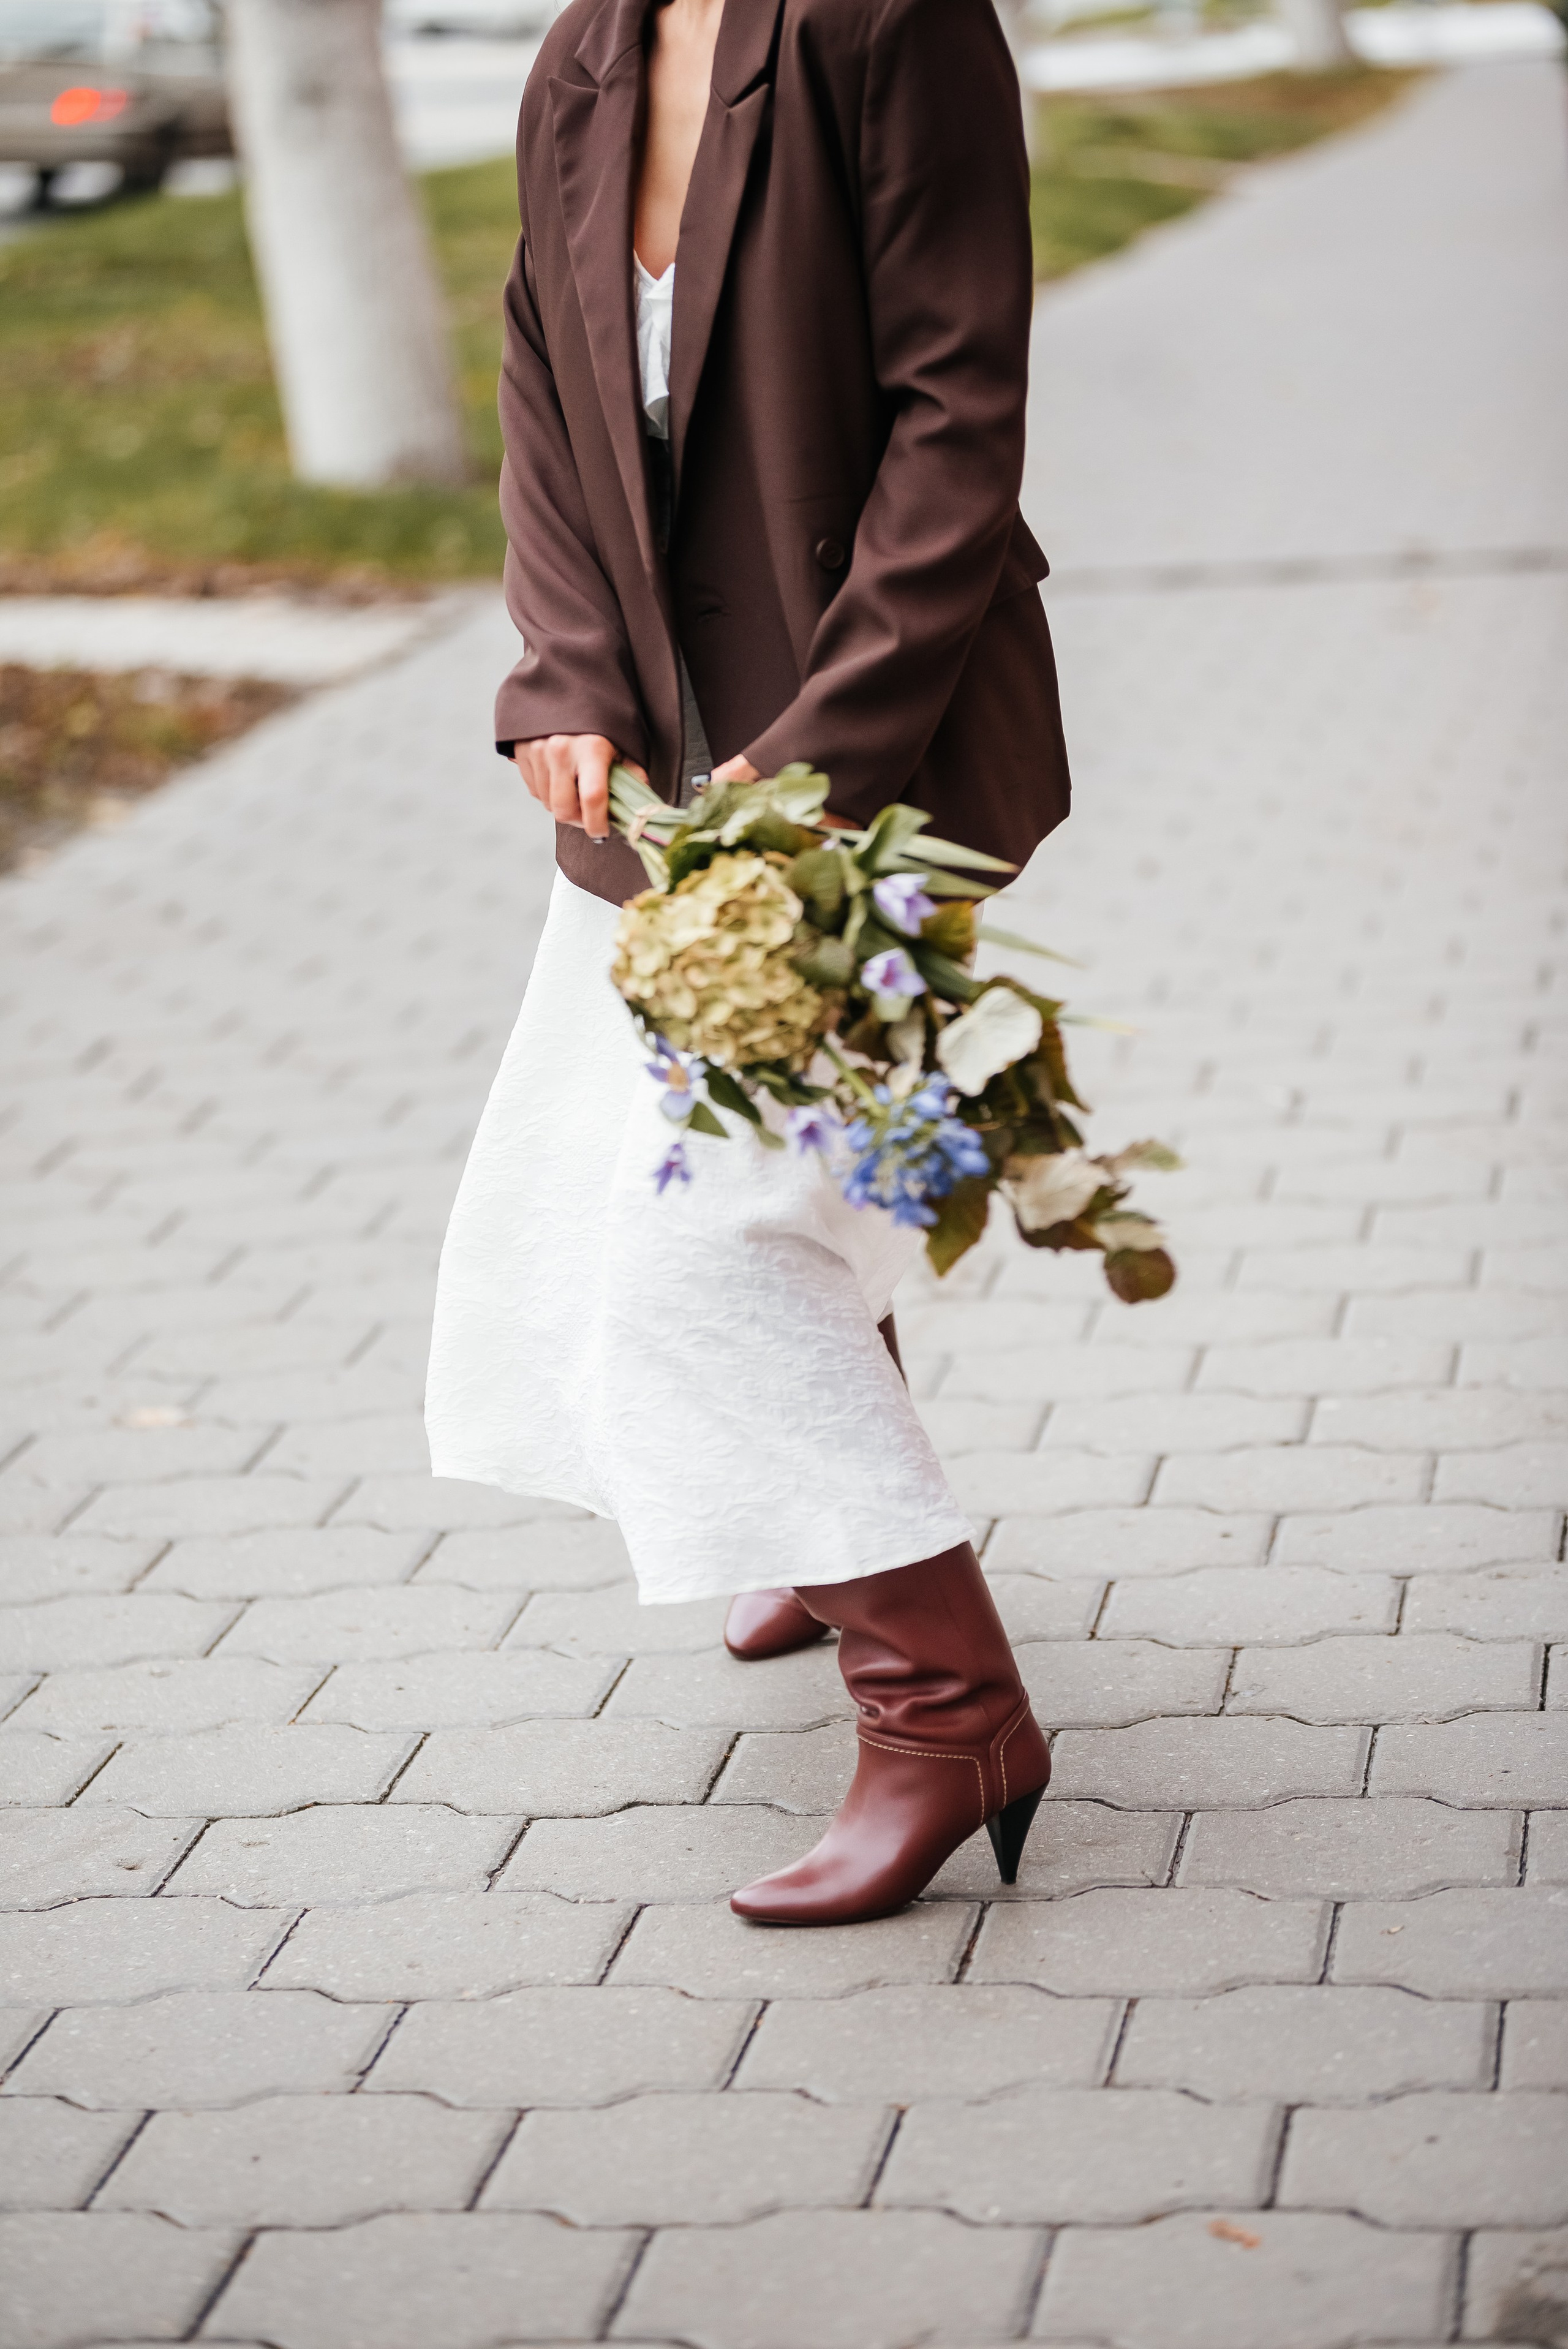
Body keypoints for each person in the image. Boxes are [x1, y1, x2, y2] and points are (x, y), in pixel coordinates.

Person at [425, 0, 1074, 1925]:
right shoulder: (583, 58)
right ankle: (808, 1504)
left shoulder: (891, 25)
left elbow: (958, 422)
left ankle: (948, 1708)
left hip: (868, 741)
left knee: (687, 1243)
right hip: (652, 759)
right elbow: (545, 386)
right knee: (671, 1187)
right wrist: (561, 675)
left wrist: (811, 775)